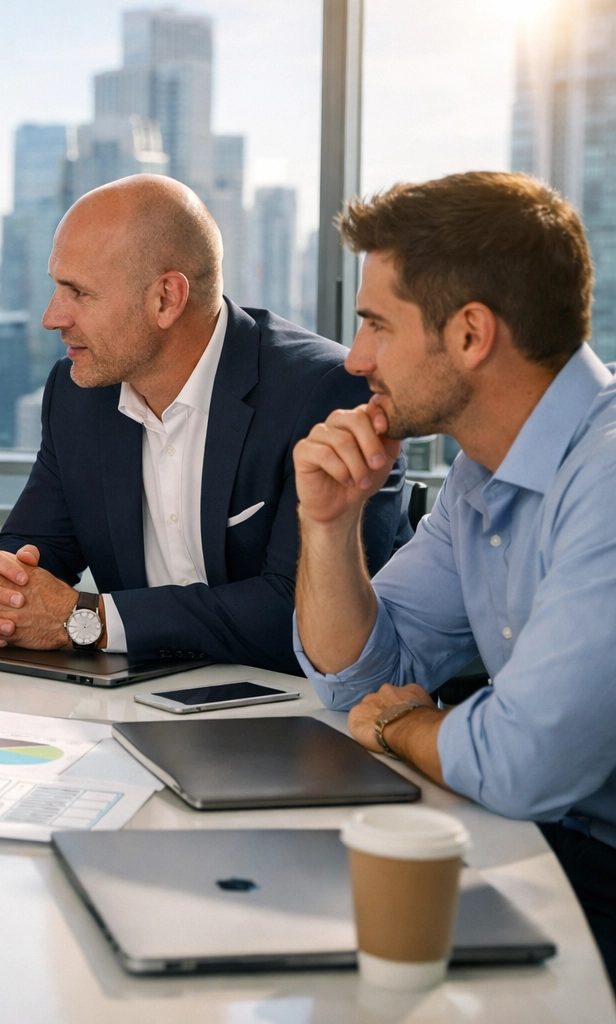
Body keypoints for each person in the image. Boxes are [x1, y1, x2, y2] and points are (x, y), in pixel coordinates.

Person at [292, 171, 616, 979]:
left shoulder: (606, 475)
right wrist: (328, 526)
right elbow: (355, 680)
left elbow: (520, 764)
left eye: (376, 326)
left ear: (471, 335)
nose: (357, 358)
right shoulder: (483, 475)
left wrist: (406, 726)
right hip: (539, 840)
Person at [0, 175, 410, 671]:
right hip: (137, 707)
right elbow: (32, 552)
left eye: (78, 292)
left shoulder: (325, 393)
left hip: (303, 713)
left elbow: (300, 617)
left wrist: (91, 620)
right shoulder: (78, 393)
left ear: (166, 298)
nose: (51, 316)